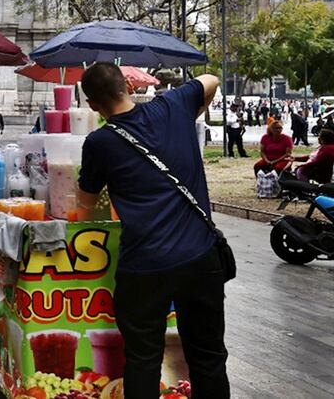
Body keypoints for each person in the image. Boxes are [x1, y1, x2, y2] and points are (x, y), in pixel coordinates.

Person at [76, 64, 229, 399]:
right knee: (208, 355)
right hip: (200, 258)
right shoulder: (173, 106)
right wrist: (194, 110)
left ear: (91, 104)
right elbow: (211, 80)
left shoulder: (99, 142)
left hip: (143, 266)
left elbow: (83, 205)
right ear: (129, 86)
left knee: (143, 358)